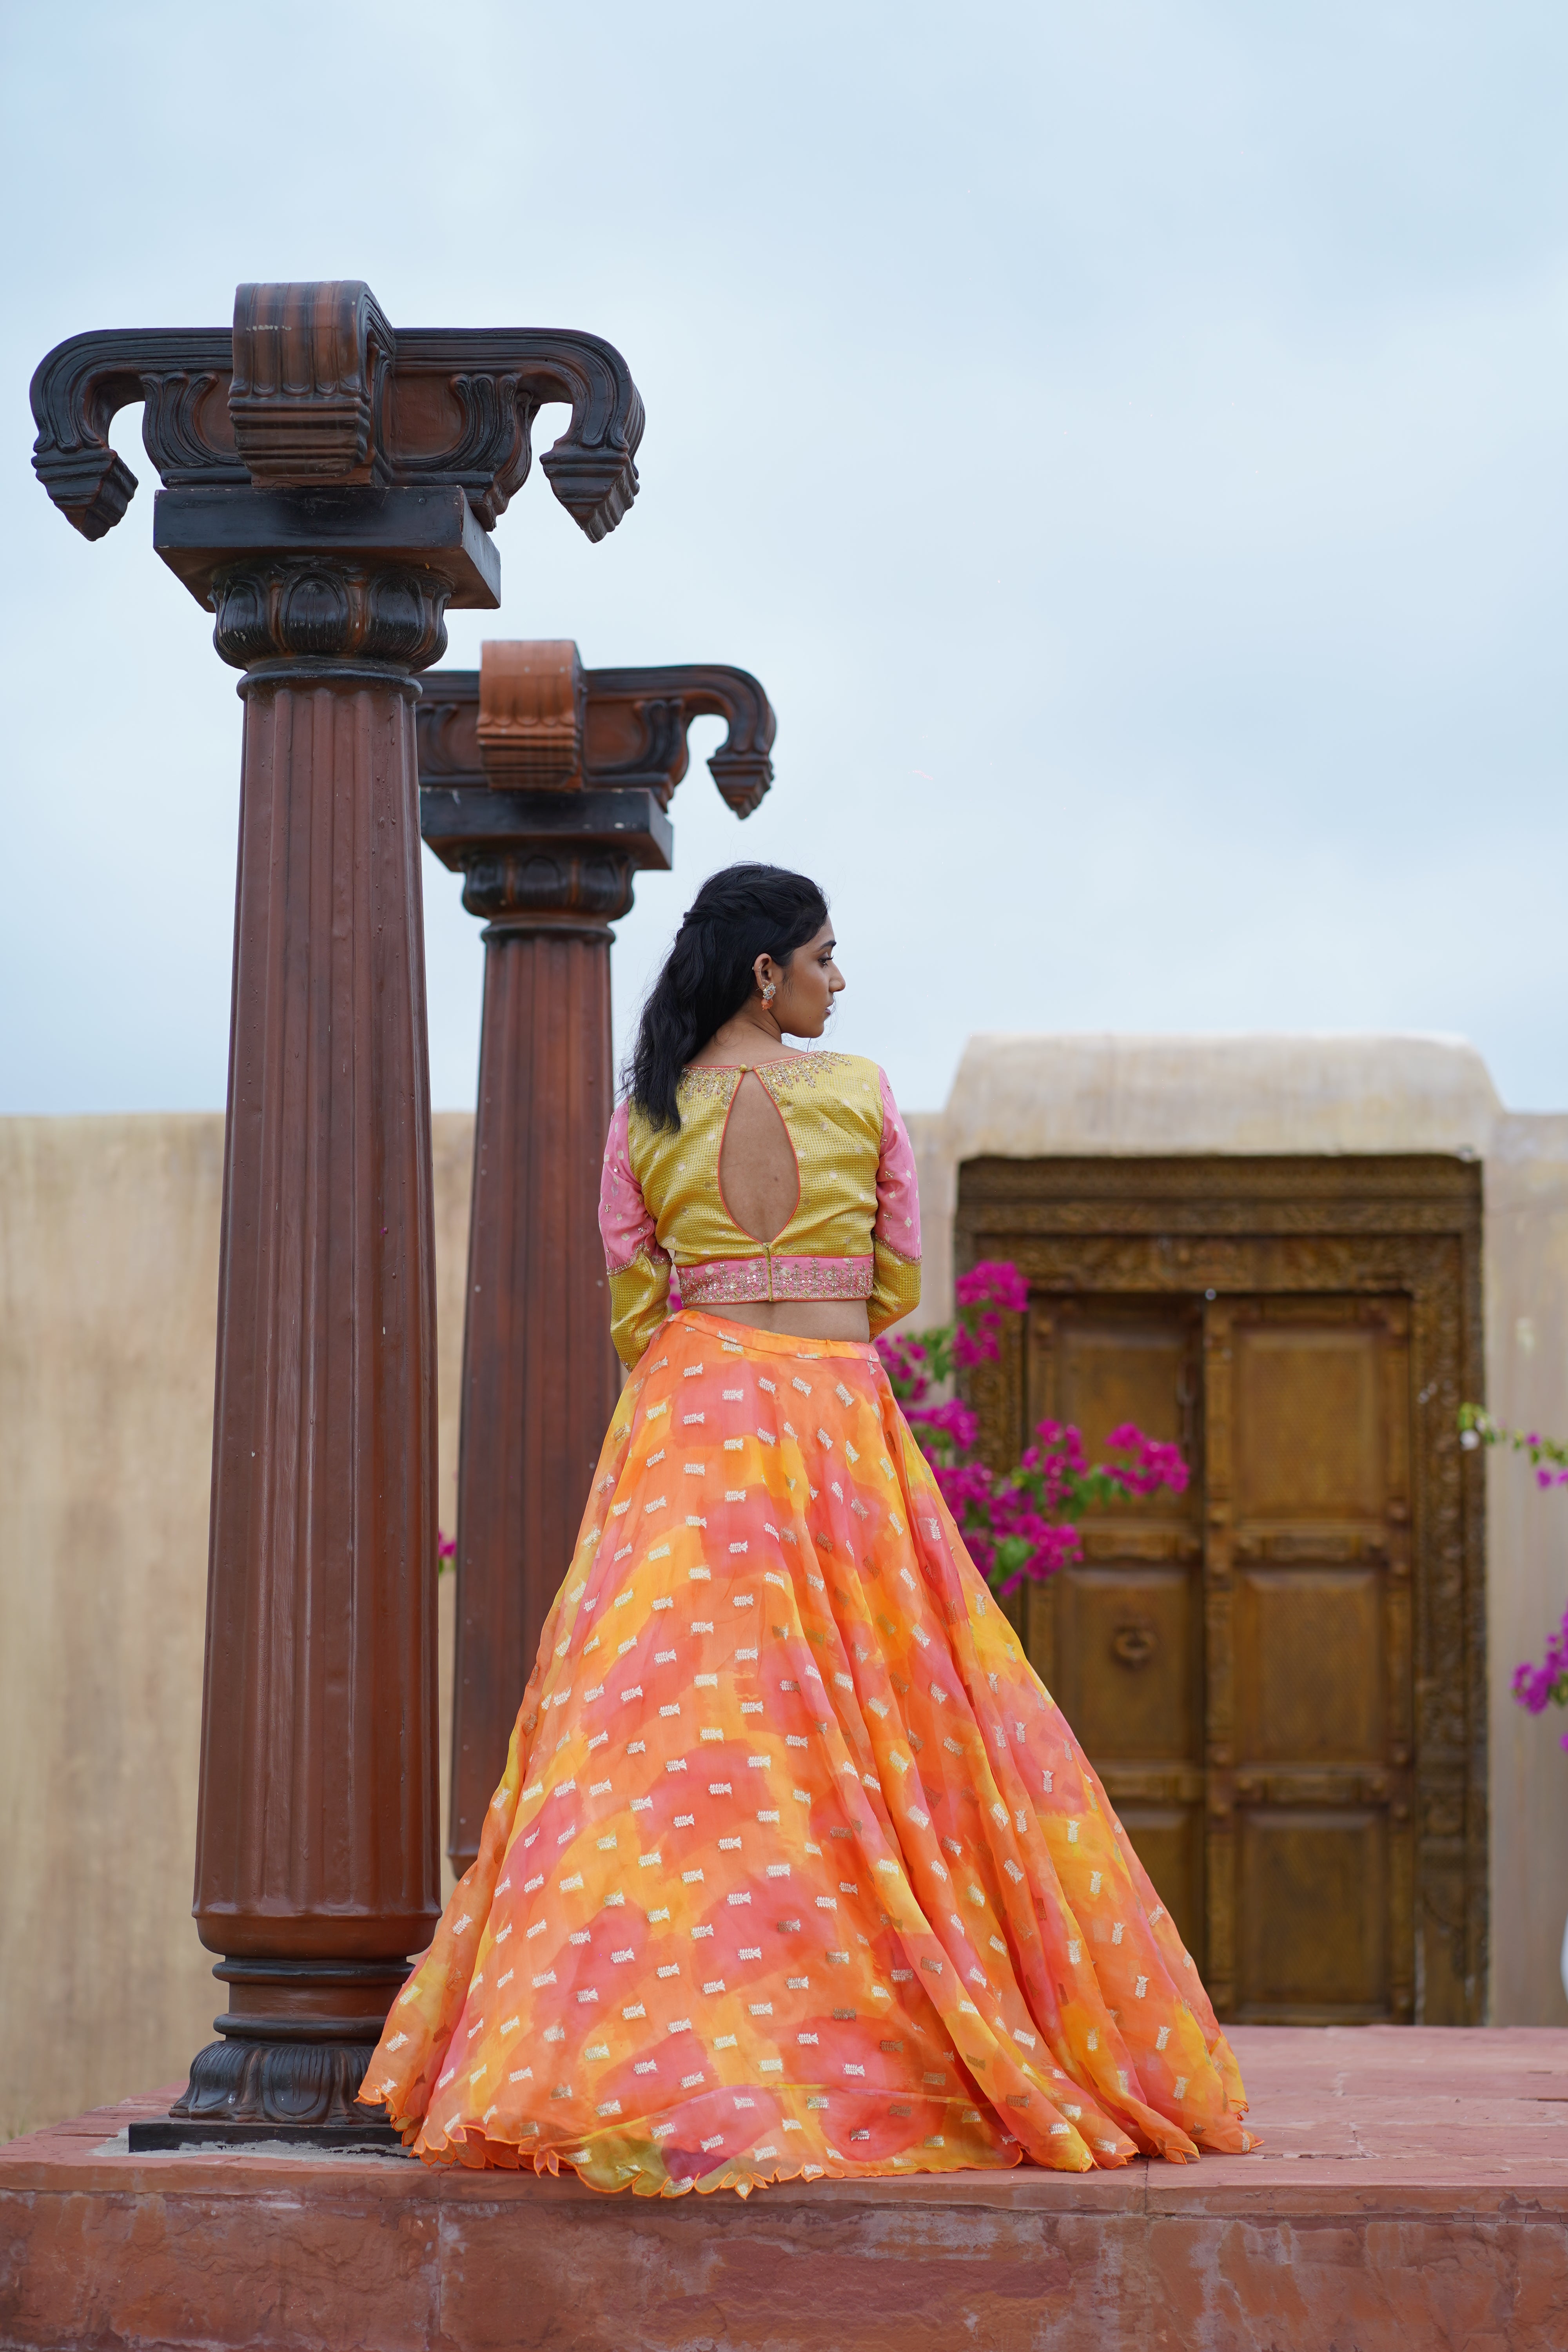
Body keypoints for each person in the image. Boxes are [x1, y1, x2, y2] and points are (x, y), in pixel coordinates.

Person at [359, 862, 1254, 2193]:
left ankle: (642, 2054)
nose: (841, 979)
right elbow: (893, 1279)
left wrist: (726, 1343)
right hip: (835, 1423)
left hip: (694, 1432)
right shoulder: (863, 1095)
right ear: (765, 972)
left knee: (667, 1736)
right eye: (825, 957)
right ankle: (881, 2043)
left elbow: (633, 1306)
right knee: (898, 1720)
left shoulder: (644, 1118)